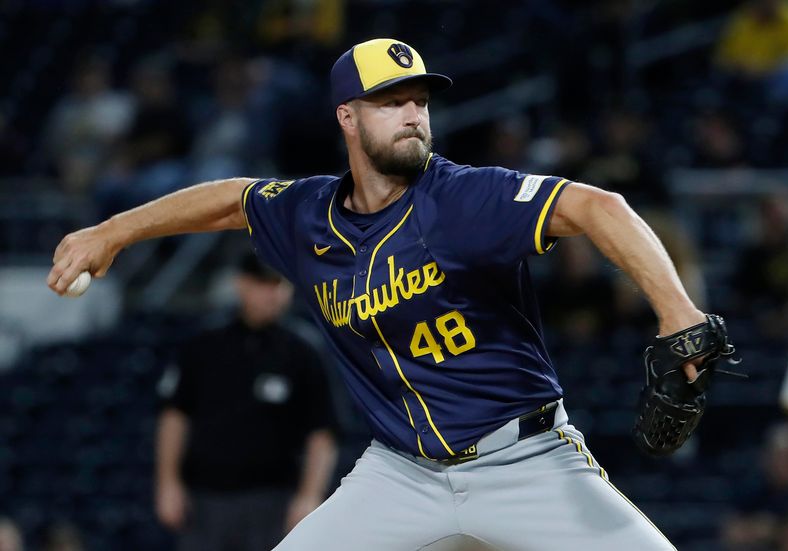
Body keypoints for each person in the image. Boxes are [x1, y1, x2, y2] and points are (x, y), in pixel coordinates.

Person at [48, 38, 712, 550]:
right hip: (401, 473)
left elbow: (600, 207)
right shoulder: (308, 215)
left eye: (420, 101)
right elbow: (231, 200)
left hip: (526, 460)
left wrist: (675, 308)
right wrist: (112, 231)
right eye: (392, 101)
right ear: (348, 116)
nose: (413, 115)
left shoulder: (465, 198)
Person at [154, 256, 338, 551]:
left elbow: (322, 433)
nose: (273, 294)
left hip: (273, 498)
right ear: (241, 284)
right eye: (263, 284)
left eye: (280, 284)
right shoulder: (204, 344)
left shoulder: (304, 350)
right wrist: (167, 482)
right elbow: (175, 416)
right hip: (206, 497)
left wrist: (309, 496)